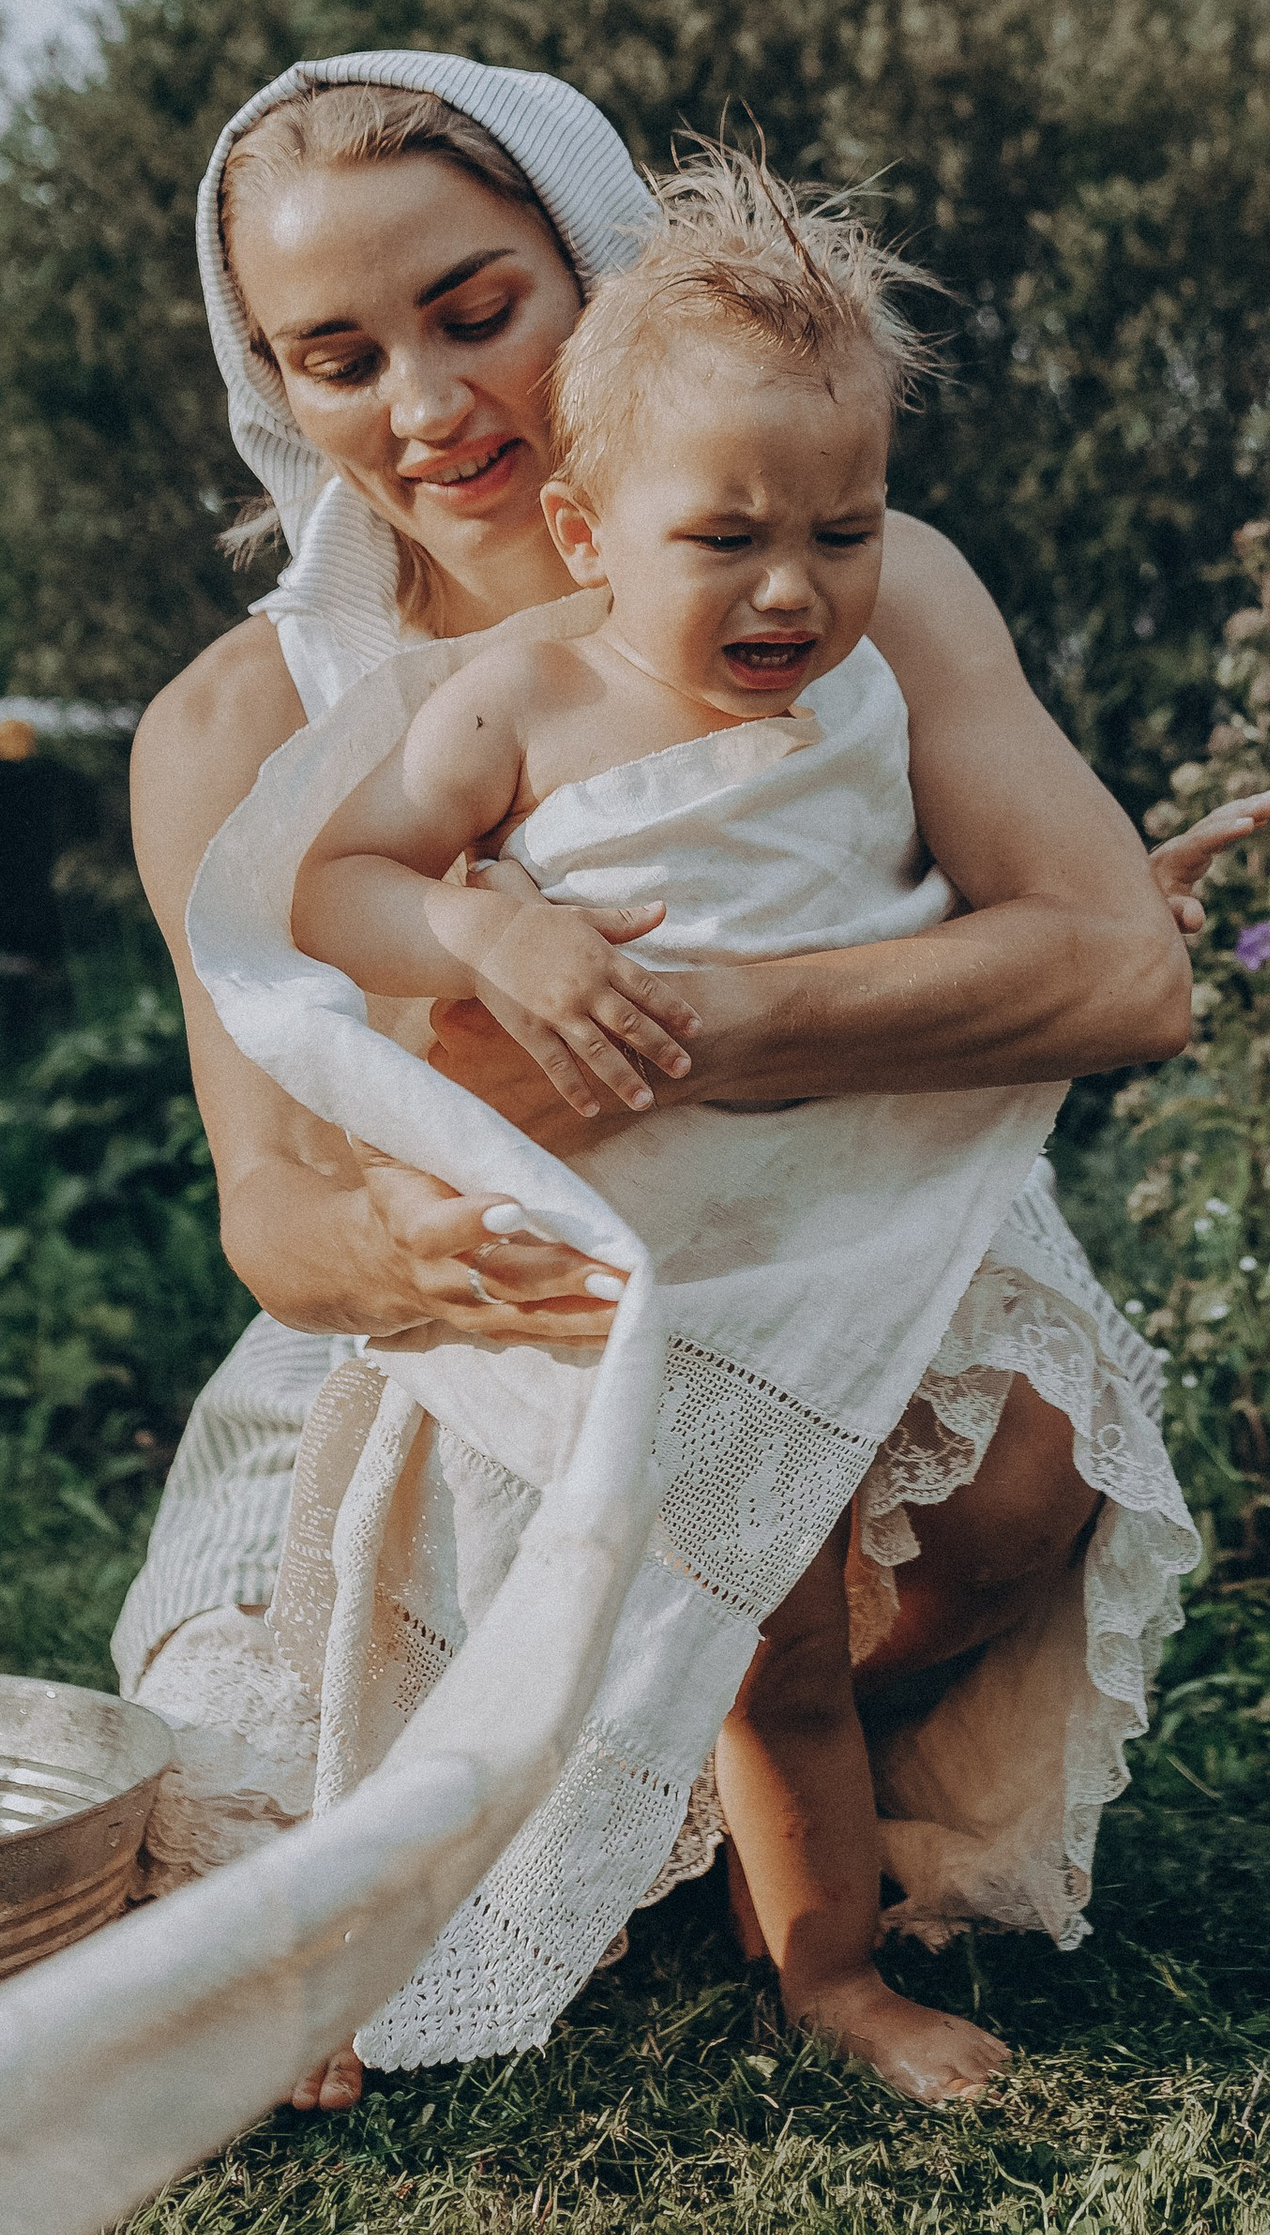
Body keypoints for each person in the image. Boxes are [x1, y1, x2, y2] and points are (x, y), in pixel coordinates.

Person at [114, 50, 1268, 2107]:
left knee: (991, 1458)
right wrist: (424, 1222)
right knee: (263, 1769)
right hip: (469, 1326)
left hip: (805, 1237)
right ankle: (629, 1801)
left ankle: (728, 1801)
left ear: (602, 272)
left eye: (478, 313)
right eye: (338, 354)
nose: (429, 404)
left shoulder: (834, 584)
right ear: (272, 382)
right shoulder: (236, 728)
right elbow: (275, 1219)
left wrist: (720, 1025)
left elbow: (1112, 972)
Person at [283, 144, 1083, 2092]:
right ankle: (343, 1965)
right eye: (728, 538)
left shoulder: (871, 682)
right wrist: (486, 919)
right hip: (598, 1269)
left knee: (778, 1642)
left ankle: (826, 1975)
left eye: (844, 527)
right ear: (584, 532)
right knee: (515, 1639)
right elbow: (335, 887)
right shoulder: (523, 705)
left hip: (799, 1246)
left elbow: (1035, 931)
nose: (793, 587)